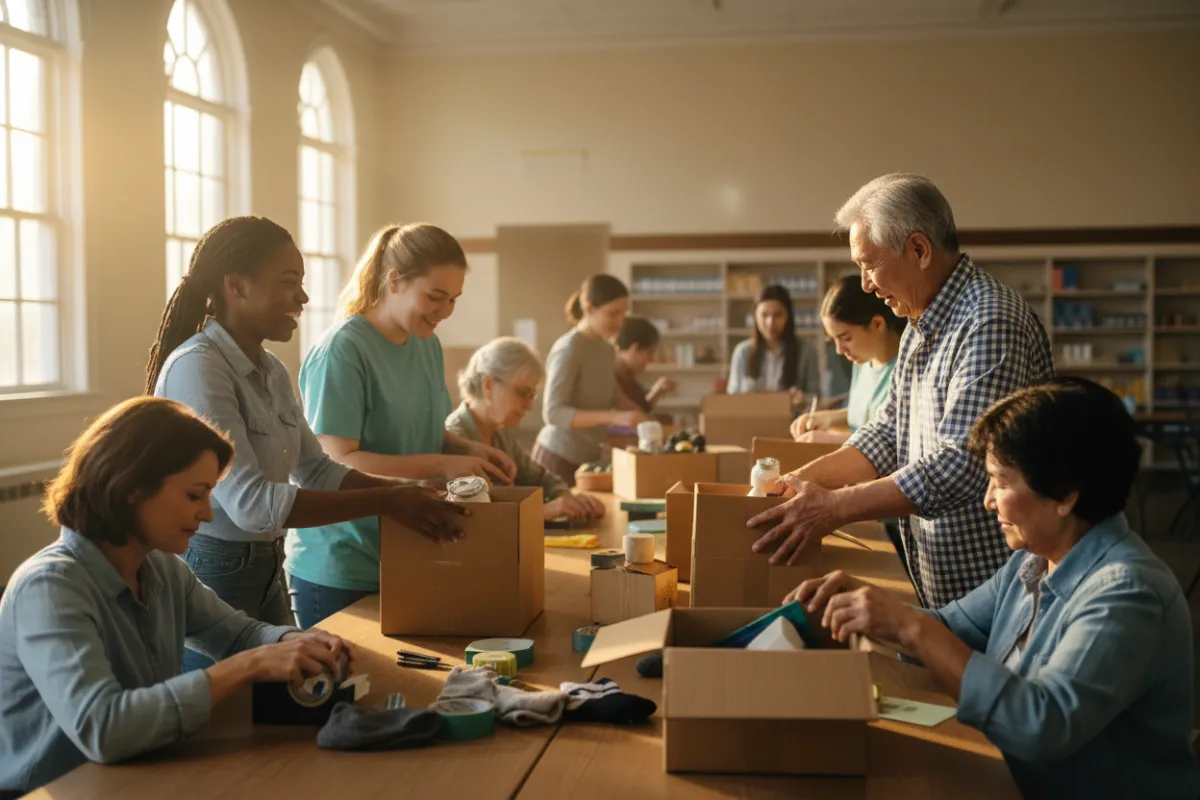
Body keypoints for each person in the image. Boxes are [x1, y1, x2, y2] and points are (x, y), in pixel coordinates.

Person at [787, 378, 1199, 800]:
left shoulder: (1126, 594)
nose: (987, 501)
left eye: (1000, 483)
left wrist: (911, 627)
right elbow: (952, 626)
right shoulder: (1034, 559)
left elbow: (1041, 725)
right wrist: (868, 606)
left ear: (1065, 495)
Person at [0, 397, 361, 795]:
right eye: (195, 495)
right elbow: (103, 728)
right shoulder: (49, 588)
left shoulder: (161, 568)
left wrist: (296, 642)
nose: (207, 514)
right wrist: (248, 666)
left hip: (138, 775)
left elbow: (237, 635)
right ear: (132, 488)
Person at [148, 217, 465, 655]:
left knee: (278, 710)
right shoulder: (199, 368)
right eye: (288, 282)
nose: (304, 297)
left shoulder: (272, 370)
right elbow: (253, 506)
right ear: (236, 286)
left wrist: (404, 495)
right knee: (223, 716)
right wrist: (389, 500)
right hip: (215, 570)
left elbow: (314, 468)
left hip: (266, 568)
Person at [749, 174, 1054, 608]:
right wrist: (800, 483)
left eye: (868, 264)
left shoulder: (988, 322)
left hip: (993, 582)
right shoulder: (919, 321)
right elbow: (889, 431)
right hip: (942, 577)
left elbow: (960, 464)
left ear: (919, 250)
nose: (866, 285)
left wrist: (833, 508)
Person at [287, 223, 517, 628]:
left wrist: (468, 449)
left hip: (408, 547)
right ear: (393, 280)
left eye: (453, 300)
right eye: (434, 297)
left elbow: (420, 432)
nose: (444, 312)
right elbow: (337, 460)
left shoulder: (426, 342)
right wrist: (441, 466)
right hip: (345, 562)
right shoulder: (343, 349)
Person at [446, 337, 607, 523]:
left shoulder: (500, 432)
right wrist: (542, 512)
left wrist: (565, 497)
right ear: (488, 385)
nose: (530, 406)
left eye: (532, 395)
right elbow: (473, 519)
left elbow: (540, 477)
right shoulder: (453, 437)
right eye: (523, 393)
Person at [533, 275, 650, 486]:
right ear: (589, 309)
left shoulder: (606, 349)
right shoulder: (569, 349)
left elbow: (615, 397)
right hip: (558, 459)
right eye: (613, 313)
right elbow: (553, 413)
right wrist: (614, 418)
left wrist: (645, 421)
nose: (621, 321)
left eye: (624, 313)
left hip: (588, 460)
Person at [791, 274, 905, 445]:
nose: (839, 350)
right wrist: (827, 419)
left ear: (877, 325)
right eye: (833, 340)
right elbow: (864, 419)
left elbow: (893, 442)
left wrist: (832, 440)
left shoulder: (906, 369)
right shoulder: (863, 361)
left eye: (846, 338)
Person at [727, 284, 820, 404]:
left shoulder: (807, 351)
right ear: (755, 316)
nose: (770, 323)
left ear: (788, 316)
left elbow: (816, 397)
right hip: (750, 420)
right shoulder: (743, 352)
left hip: (793, 420)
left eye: (778, 315)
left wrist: (801, 400)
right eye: (764, 315)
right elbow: (732, 397)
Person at [614, 316, 676, 414]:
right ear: (635, 348)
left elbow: (639, 410)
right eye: (649, 352)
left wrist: (657, 393)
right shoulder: (614, 377)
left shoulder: (626, 375)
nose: (651, 359)